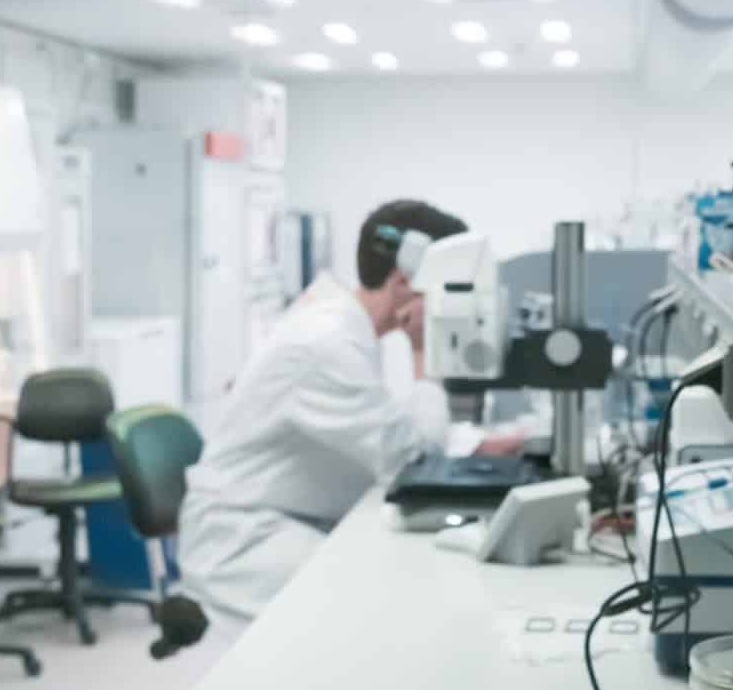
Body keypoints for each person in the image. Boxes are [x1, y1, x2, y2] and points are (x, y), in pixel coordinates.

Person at [179, 199, 523, 620]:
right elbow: (411, 460)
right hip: (247, 540)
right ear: (405, 281)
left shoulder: (344, 327)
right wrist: (424, 350)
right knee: (394, 603)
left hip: (289, 520)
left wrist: (479, 445)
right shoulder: (326, 343)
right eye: (448, 289)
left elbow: (384, 424)